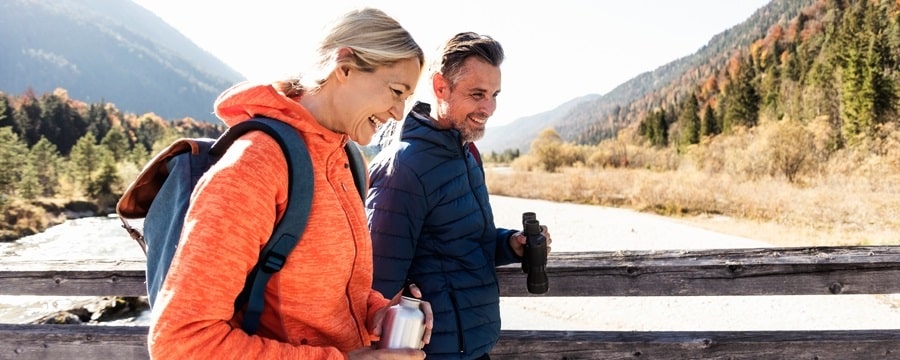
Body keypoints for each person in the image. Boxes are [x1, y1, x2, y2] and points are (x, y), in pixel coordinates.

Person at [149, 8, 432, 360]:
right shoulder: (255, 166)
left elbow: (326, 298)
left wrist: (378, 313)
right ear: (344, 67)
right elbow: (181, 343)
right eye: (395, 91)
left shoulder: (348, 161)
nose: (398, 113)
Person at [365, 32, 552, 359]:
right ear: (440, 87)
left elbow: (462, 242)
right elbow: (376, 285)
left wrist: (510, 244)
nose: (489, 108)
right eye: (477, 94)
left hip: (474, 348)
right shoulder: (403, 168)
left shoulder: (467, 155)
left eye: (494, 94)